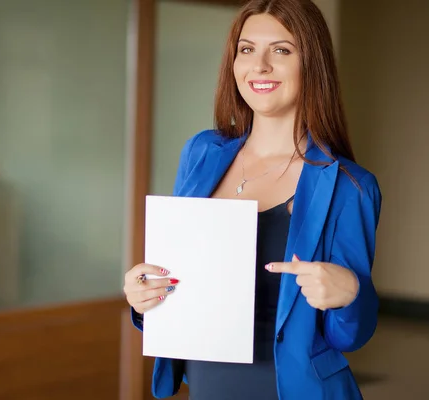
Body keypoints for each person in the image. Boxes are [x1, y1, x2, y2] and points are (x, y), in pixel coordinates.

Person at [123, 0, 382, 399]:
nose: (259, 65)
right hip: (208, 386)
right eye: (246, 49)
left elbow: (351, 334)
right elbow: (180, 279)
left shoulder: (350, 185)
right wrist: (145, 297)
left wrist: (349, 293)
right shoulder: (202, 152)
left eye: (281, 50)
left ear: (311, 64)